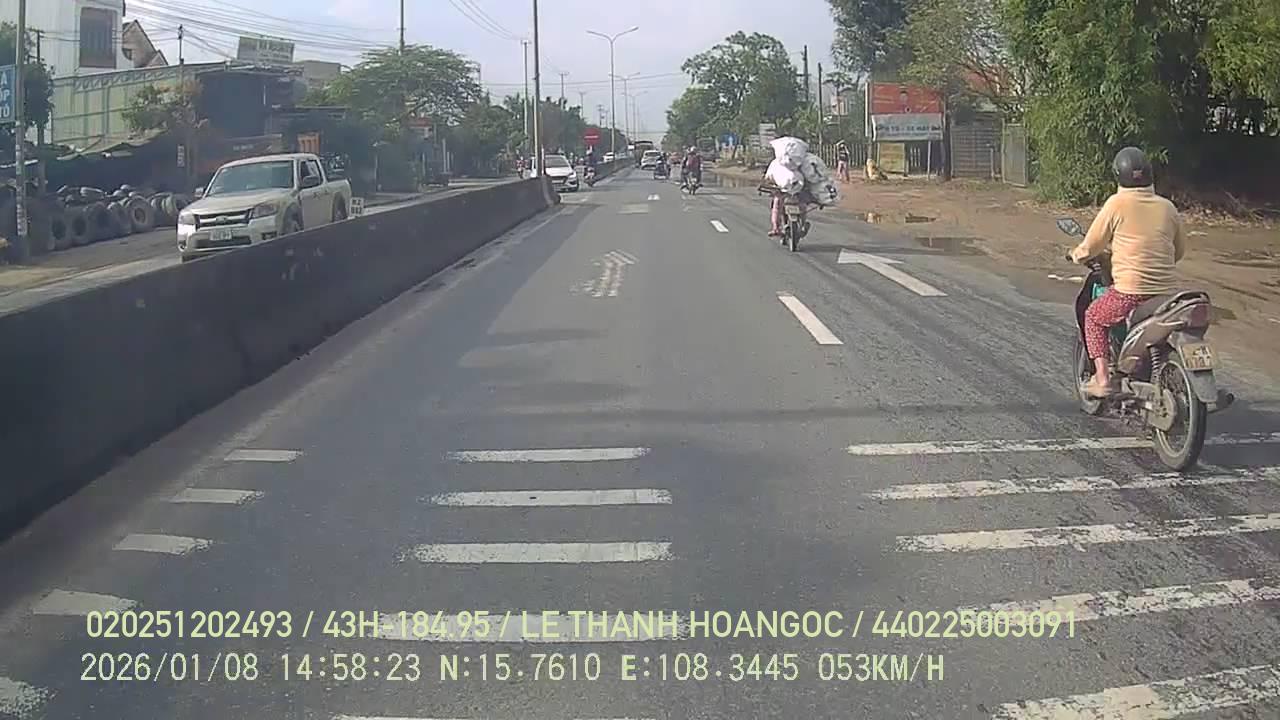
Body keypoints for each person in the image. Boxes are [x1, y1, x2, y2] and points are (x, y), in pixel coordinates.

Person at [1070, 146, 1188, 398]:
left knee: (1093, 317)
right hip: (1167, 295)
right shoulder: (1167, 207)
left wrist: (1076, 255)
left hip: (1131, 292)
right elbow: (1179, 252)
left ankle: (1102, 379)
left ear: (1118, 175)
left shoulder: (1117, 204)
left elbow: (1092, 245)